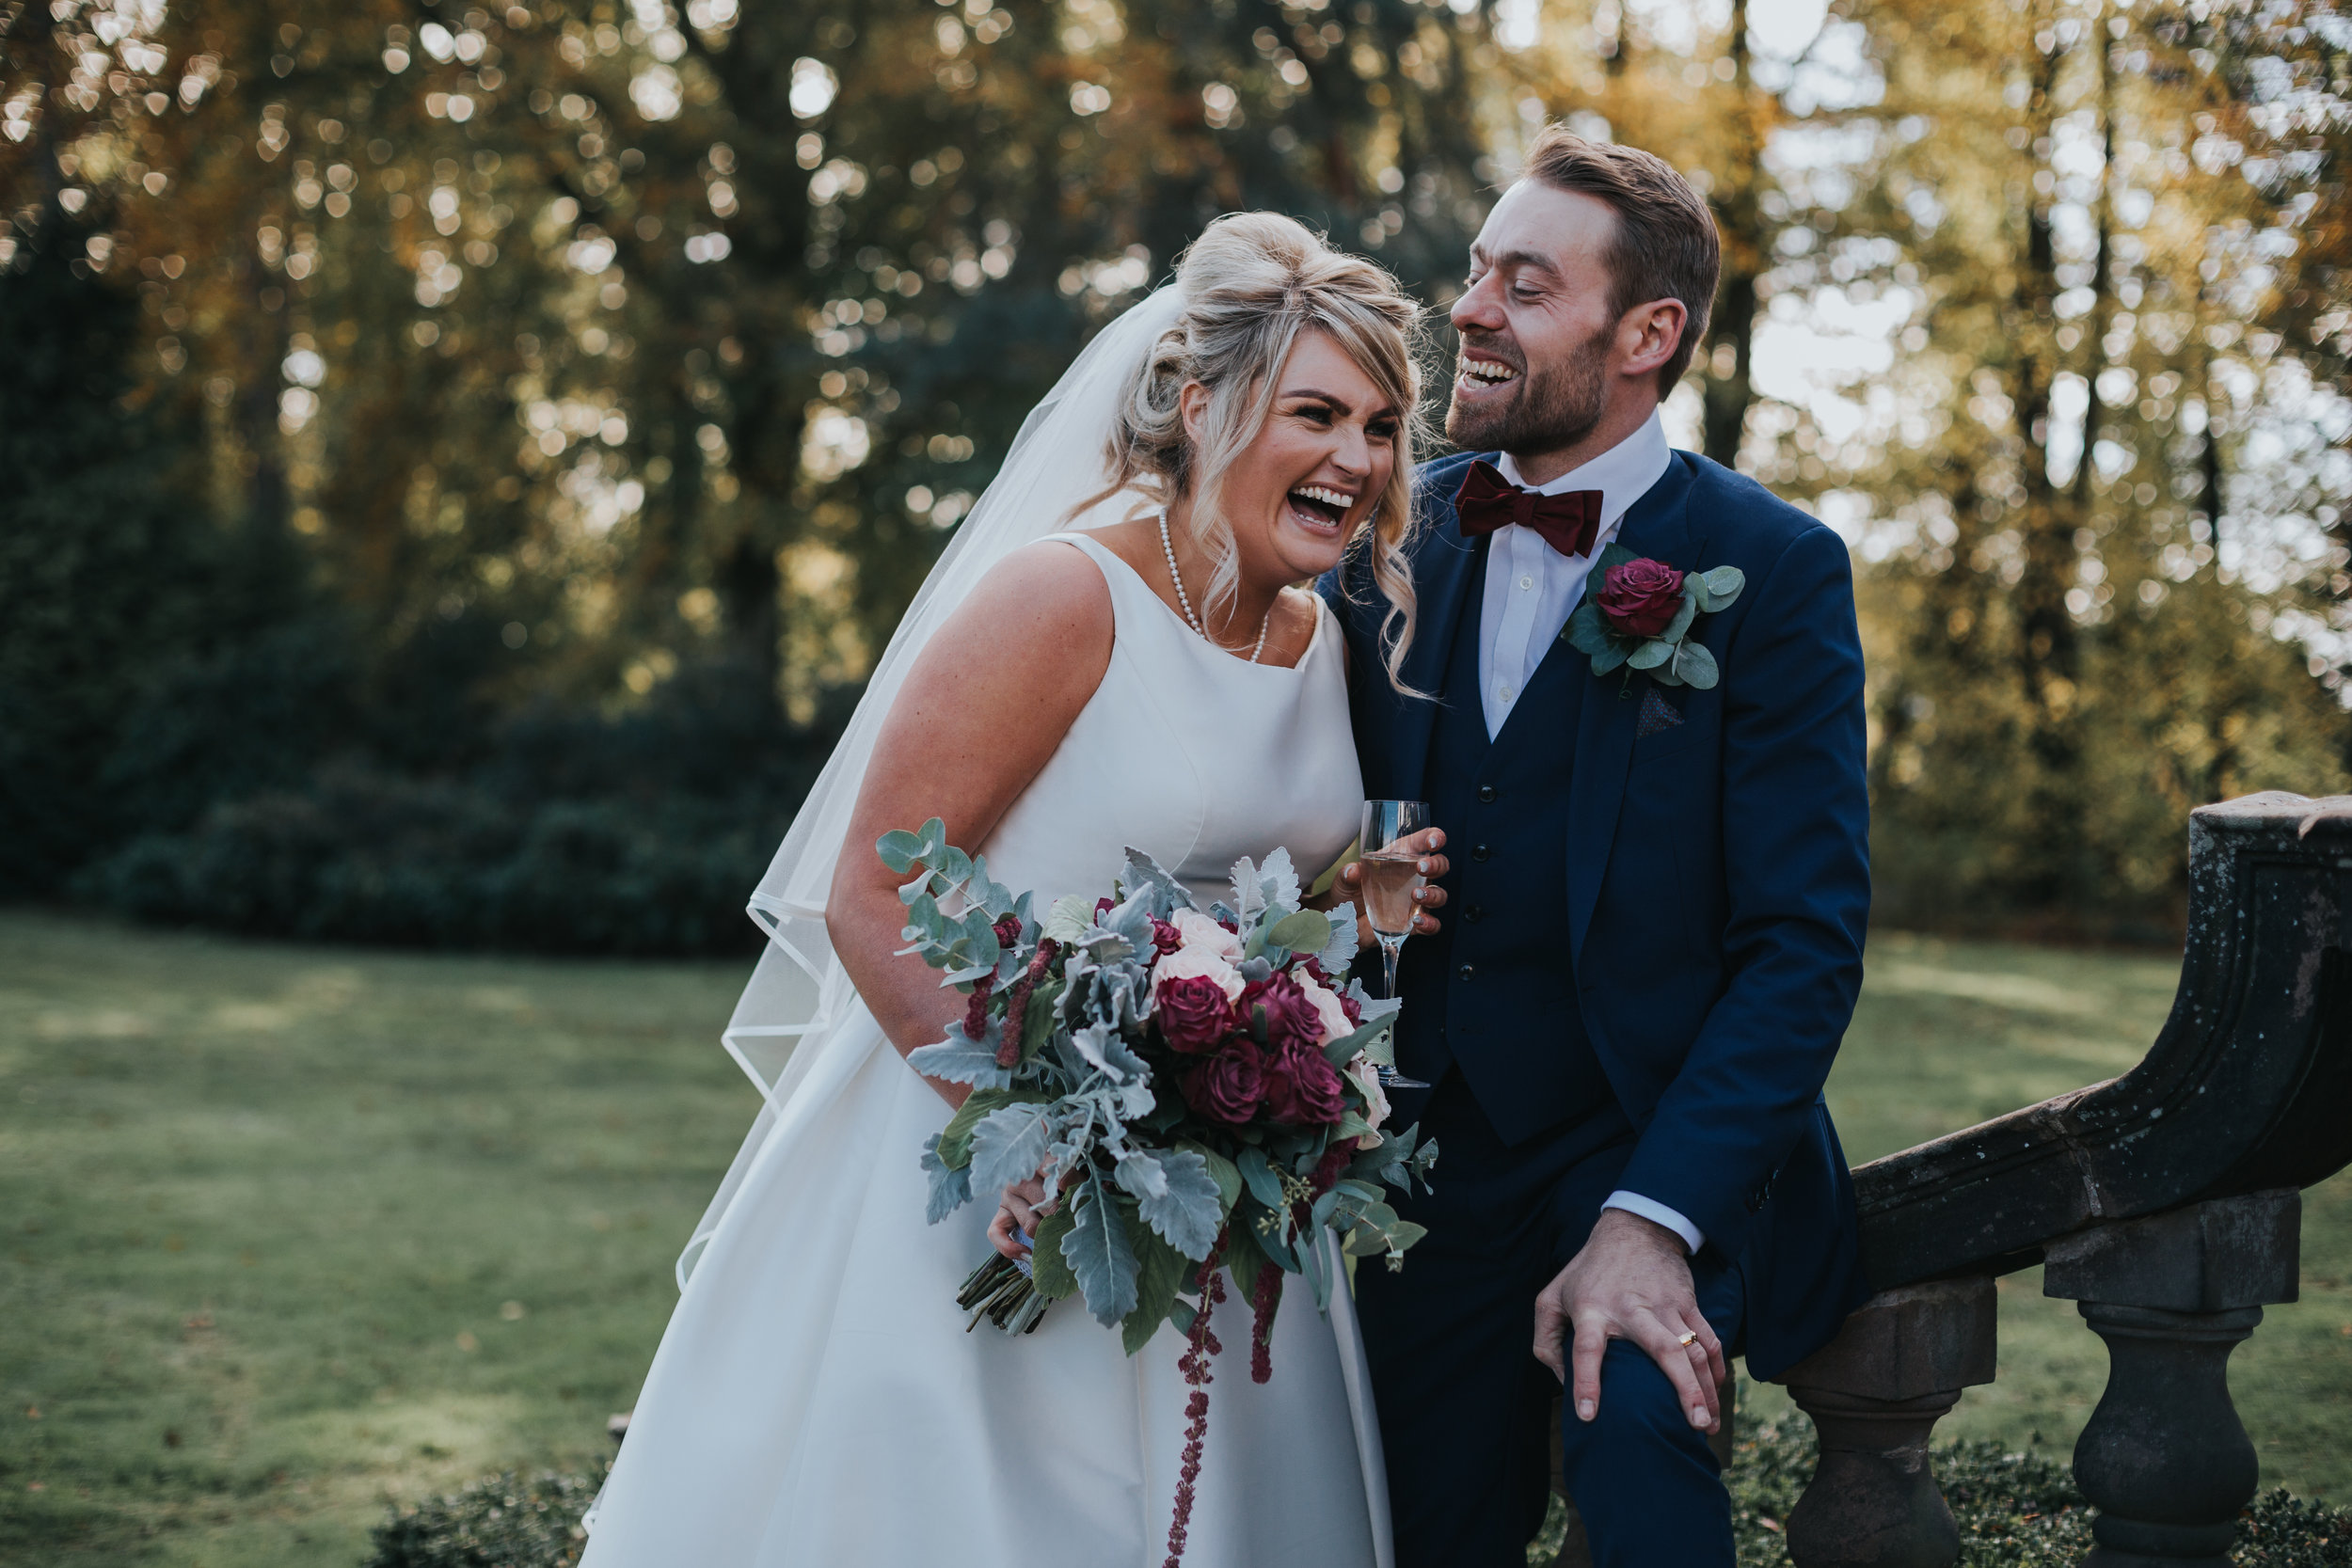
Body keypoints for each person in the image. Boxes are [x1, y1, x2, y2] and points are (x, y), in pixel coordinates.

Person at [579, 213, 1448, 1568]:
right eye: (1319, 413)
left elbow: (1230, 906)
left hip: (1218, 1197)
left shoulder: (1317, 634)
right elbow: (872, 888)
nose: (1359, 458)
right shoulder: (1066, 595)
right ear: (1207, 407)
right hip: (985, 1169)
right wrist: (1029, 1135)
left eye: (1383, 428)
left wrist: (1355, 904)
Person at [1324, 129, 1874, 1568]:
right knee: (1416, 1520)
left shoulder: (1775, 570)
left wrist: (1655, 1217)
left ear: (1649, 334)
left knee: (1635, 1429)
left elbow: (1803, 943)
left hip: (1650, 1132)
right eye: (1473, 272)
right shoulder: (1394, 534)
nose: (1468, 309)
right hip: (1417, 1156)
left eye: (1524, 281)